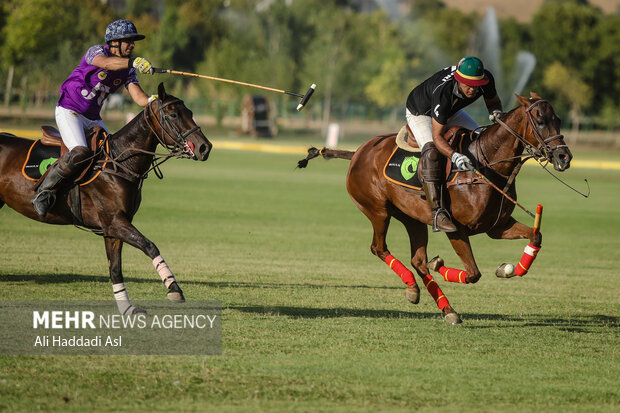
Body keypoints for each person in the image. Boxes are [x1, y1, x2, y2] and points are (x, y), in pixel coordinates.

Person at [32, 19, 156, 217]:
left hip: (92, 118)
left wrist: (152, 100)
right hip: (69, 110)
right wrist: (133, 61)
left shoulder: (129, 70)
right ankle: (43, 193)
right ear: (114, 42)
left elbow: (139, 98)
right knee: (80, 152)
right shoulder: (96, 52)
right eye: (128, 40)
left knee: (114, 156)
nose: (132, 44)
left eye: (133, 41)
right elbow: (107, 64)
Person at [405, 56, 503, 232]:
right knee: (432, 152)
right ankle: (437, 212)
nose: (473, 89)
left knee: (482, 139)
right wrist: (454, 155)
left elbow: (494, 102)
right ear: (458, 80)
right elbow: (437, 137)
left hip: (451, 111)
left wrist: (495, 113)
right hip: (421, 112)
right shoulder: (443, 93)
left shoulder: (485, 80)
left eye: (476, 84)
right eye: (468, 84)